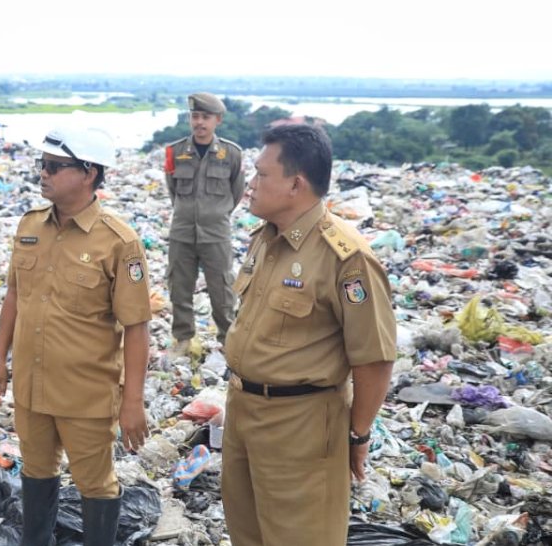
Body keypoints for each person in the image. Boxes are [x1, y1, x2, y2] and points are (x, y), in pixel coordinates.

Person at [221, 124, 396, 545]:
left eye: (262, 175)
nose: (251, 185)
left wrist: (358, 434)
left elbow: (373, 358)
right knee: (247, 533)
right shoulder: (264, 239)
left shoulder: (345, 256)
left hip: (299, 425)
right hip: (243, 412)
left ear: (295, 184)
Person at [0, 128, 153, 546]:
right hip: (30, 385)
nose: (43, 174)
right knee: (36, 471)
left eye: (55, 167)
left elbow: (136, 325)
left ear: (89, 173)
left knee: (95, 484)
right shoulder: (30, 227)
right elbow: (13, 296)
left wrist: (133, 401)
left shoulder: (118, 241)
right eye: (42, 165)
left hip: (85, 392)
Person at [163, 92, 245, 352]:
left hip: (216, 234)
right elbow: (172, 190)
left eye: (205, 117)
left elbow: (237, 191)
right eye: (195, 116)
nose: (199, 122)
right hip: (182, 232)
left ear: (217, 120)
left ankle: (227, 339)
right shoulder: (174, 152)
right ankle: (184, 339)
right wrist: (188, 212)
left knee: (222, 290)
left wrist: (216, 214)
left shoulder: (231, 154)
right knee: (179, 288)